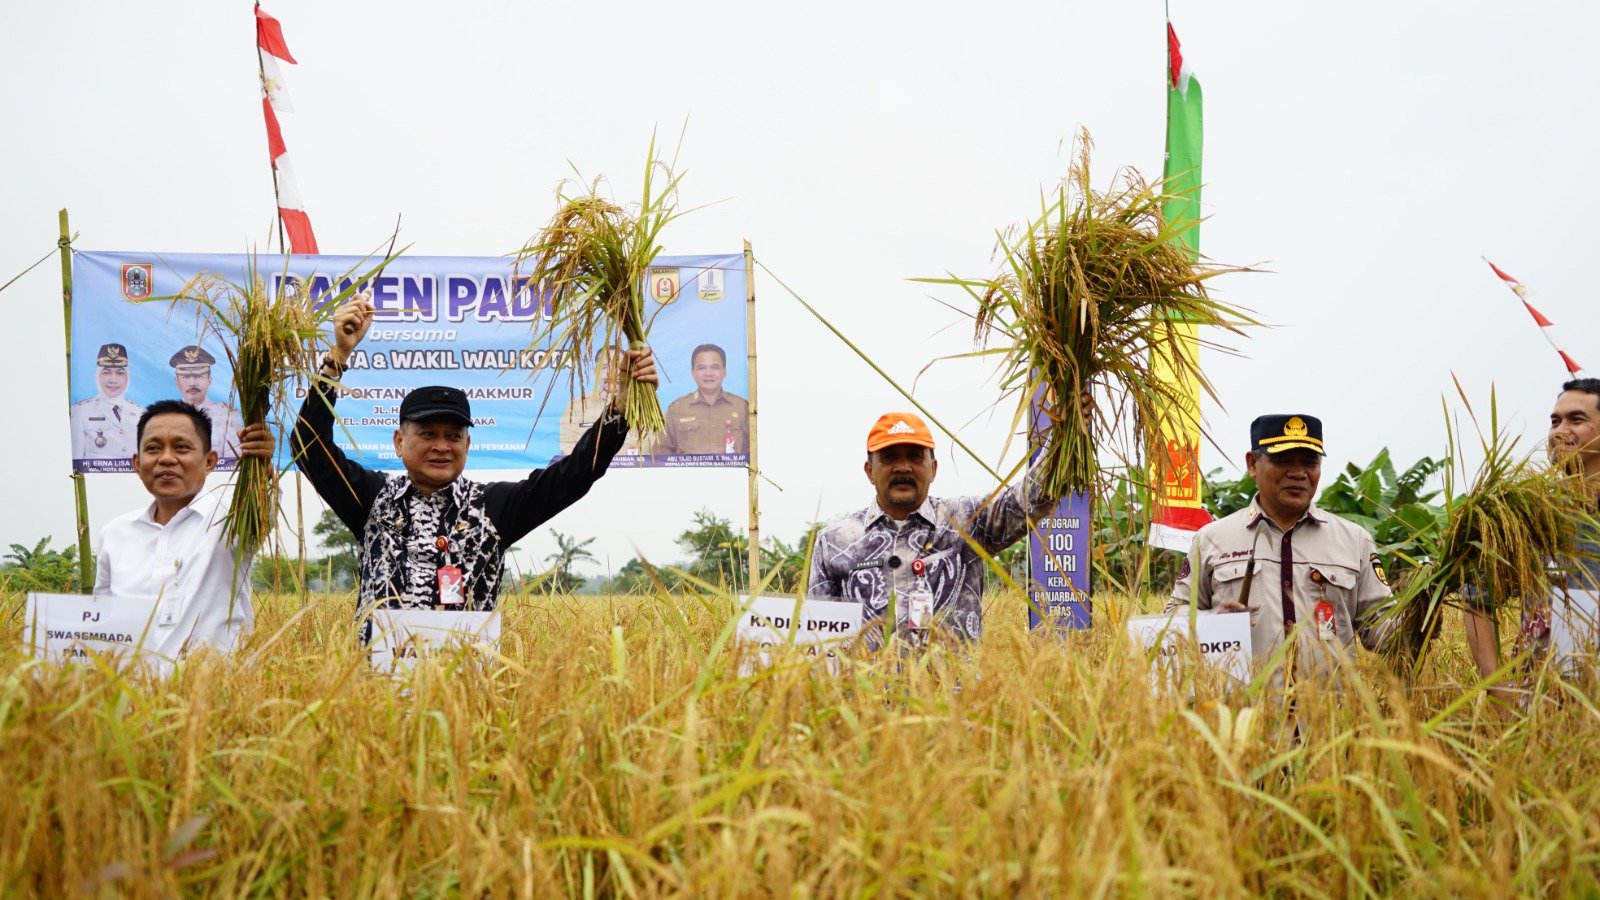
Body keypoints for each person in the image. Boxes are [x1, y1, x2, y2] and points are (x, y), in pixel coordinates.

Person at [291, 294, 658, 617]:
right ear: (399, 441)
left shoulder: (494, 506)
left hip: (466, 687)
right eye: (427, 434)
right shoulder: (371, 498)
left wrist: (620, 410)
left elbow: (573, 476)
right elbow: (308, 447)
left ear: (468, 445)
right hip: (378, 684)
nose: (441, 446)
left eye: (454, 436)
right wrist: (337, 357)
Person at [1165, 414, 1393, 681]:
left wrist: (1424, 613)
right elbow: (1172, 620)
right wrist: (1214, 621)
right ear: (1252, 463)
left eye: (1310, 462)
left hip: (1329, 717)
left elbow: (1382, 632)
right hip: (1245, 717)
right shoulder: (1211, 540)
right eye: (1283, 460)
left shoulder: (1356, 542)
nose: (1298, 473)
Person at [807, 411, 1062, 646]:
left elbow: (1032, 498)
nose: (903, 467)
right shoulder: (834, 543)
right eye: (889, 457)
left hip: (953, 695)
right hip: (867, 695)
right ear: (869, 471)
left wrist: (1064, 434)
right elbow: (818, 642)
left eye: (915, 457)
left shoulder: (966, 522)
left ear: (933, 469)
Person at [94, 399, 275, 658]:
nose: (167, 458)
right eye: (154, 448)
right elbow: (103, 621)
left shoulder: (232, 518)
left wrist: (262, 466)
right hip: (131, 695)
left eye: (181, 447)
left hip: (215, 693)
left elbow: (262, 508)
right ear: (137, 462)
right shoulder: (115, 533)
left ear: (210, 461)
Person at [1465, 378, 1600, 683]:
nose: (1559, 431)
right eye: (1555, 421)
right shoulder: (1529, 516)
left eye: (1576, 419)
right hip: (1538, 708)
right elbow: (1477, 602)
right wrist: (1498, 694)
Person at [661, 343, 748, 454]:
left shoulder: (742, 407)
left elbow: (755, 452)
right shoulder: (676, 409)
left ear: (724, 371)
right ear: (693, 372)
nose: (708, 373)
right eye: (702, 368)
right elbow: (660, 456)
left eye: (715, 367)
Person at [559, 345, 643, 456]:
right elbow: (567, 453)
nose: (610, 373)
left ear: (627, 372)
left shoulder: (642, 407)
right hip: (588, 473)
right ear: (595, 372)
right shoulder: (575, 407)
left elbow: (650, 453)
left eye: (617, 367)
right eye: (603, 367)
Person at [70, 342, 145, 462]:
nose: (113, 380)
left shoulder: (140, 412)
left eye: (120, 373)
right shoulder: (79, 412)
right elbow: (75, 462)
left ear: (128, 377)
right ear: (97, 375)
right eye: (106, 373)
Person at [169, 345, 243, 460]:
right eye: (186, 377)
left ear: (209, 380)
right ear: (177, 381)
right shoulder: (166, 416)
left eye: (199, 376)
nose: (192, 383)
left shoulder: (227, 416)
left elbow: (233, 463)